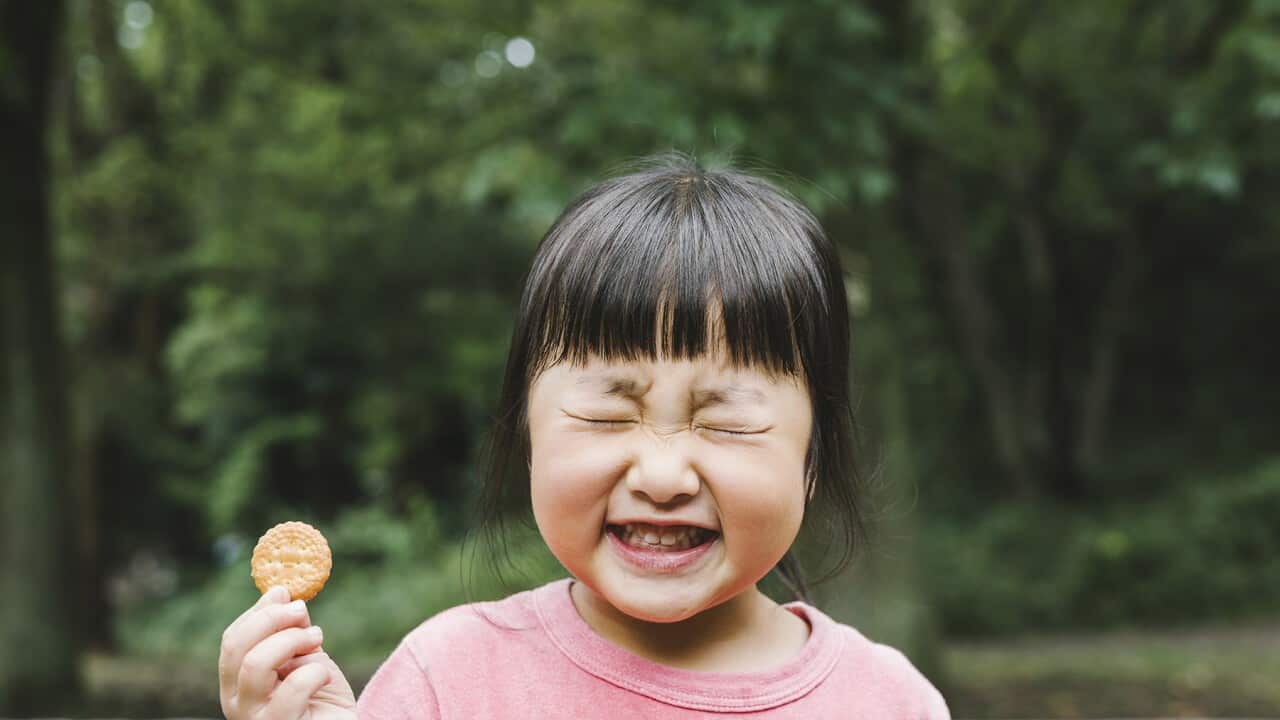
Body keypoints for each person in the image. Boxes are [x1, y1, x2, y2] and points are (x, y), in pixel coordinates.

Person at [218, 153, 950, 719]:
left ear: (812, 456)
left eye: (725, 419)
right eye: (606, 415)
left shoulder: (889, 702)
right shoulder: (447, 681)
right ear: (529, 433)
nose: (663, 476)